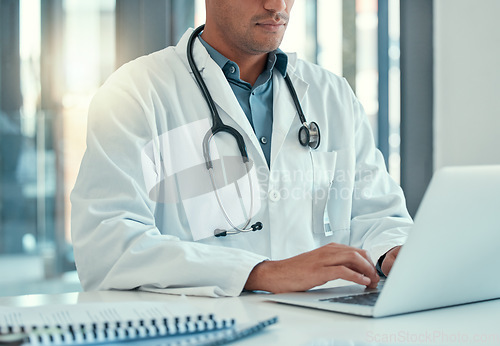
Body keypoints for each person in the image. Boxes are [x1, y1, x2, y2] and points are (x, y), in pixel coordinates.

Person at [71, 0, 413, 297]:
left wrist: (393, 251)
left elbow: (379, 214)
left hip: (319, 327)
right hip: (203, 331)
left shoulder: (331, 94)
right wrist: (260, 272)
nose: (277, 6)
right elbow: (109, 246)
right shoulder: (136, 93)